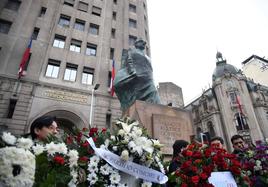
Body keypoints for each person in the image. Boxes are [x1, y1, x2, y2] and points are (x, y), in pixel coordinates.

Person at [113, 38, 161, 111]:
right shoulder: (132, 51)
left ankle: (158, 109)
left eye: (144, 43)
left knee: (153, 92)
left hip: (147, 78)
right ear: (136, 44)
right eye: (142, 42)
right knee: (140, 94)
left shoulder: (146, 56)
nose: (144, 44)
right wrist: (132, 71)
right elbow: (129, 61)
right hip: (137, 77)